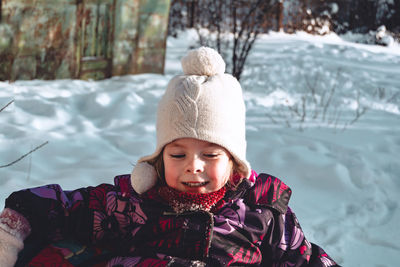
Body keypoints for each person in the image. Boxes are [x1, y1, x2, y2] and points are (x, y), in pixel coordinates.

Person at [0, 47, 339, 266]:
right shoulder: (131, 203)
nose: (194, 164)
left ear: (235, 162)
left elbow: (305, 259)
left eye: (210, 153)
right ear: (160, 158)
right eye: (178, 153)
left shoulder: (260, 213)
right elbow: (65, 205)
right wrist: (13, 227)